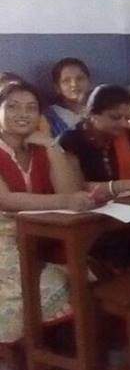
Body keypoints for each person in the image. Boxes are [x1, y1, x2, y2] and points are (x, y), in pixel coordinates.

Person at [0, 82, 95, 344]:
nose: (23, 114)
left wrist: (52, 146)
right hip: (4, 236)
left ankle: (58, 343)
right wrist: (65, 199)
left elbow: (70, 190)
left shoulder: (40, 149)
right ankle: (28, 346)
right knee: (47, 282)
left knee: (85, 270)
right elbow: (6, 200)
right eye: (12, 107)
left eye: (31, 108)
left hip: (40, 230)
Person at [59, 84, 130, 197]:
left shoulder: (128, 136)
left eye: (127, 118)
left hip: (127, 206)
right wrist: (120, 186)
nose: (123, 123)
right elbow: (75, 188)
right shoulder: (71, 140)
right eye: (115, 117)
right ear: (92, 114)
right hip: (88, 209)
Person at [42, 57, 91, 137]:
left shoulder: (100, 112)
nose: (74, 84)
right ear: (57, 88)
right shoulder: (48, 117)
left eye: (80, 78)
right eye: (66, 80)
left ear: (89, 82)